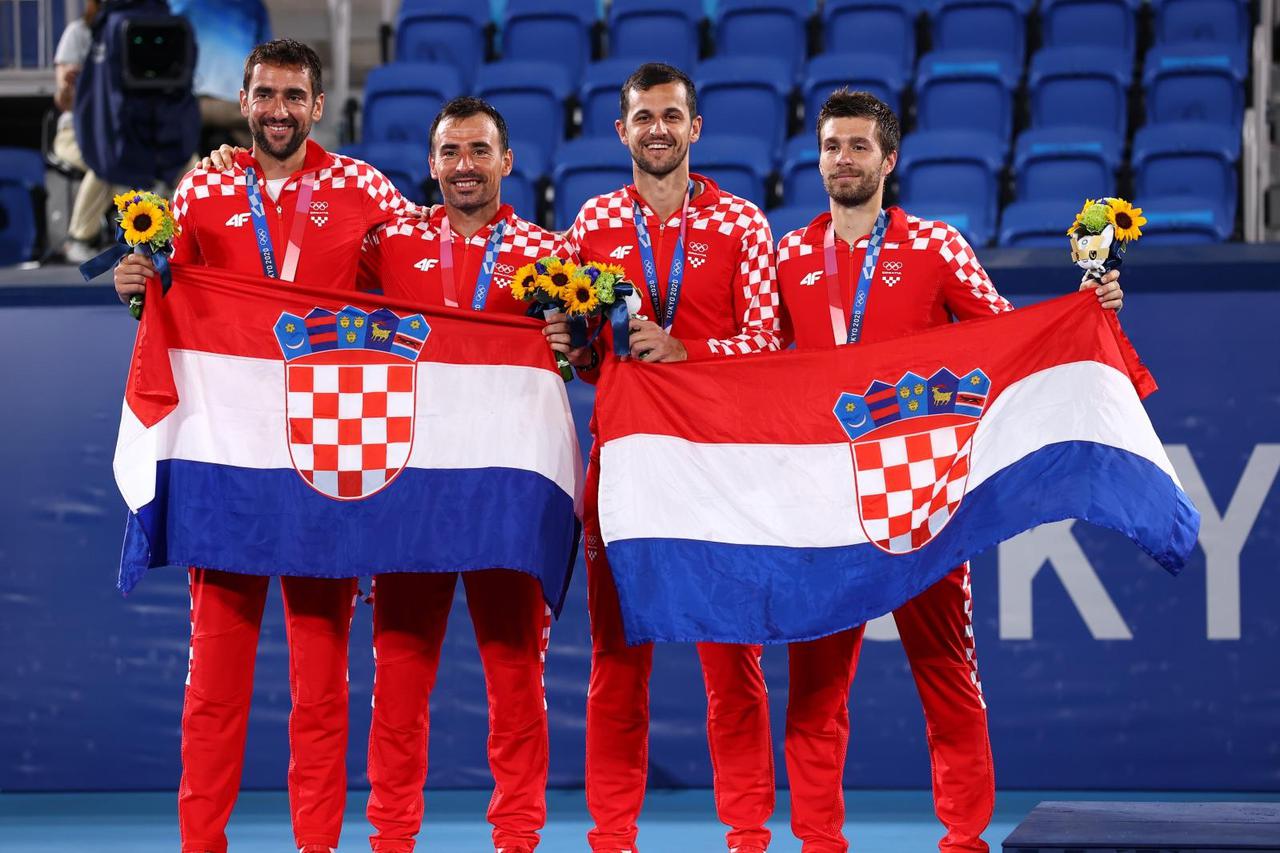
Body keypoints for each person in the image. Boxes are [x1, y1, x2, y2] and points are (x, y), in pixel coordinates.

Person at [774, 89, 1123, 853]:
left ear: (889, 159)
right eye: (832, 145)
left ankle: (963, 841)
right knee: (814, 692)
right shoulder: (787, 255)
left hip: (924, 498)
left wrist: (1086, 310)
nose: (843, 159)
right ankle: (817, 842)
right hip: (822, 506)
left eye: (859, 146)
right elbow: (755, 365)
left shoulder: (937, 246)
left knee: (947, 675)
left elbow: (1007, 337)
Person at [113, 39, 421, 853]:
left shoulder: (366, 189)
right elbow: (172, 299)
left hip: (327, 462)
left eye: (294, 96)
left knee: (320, 687)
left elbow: (425, 290)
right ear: (242, 101)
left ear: (319, 105)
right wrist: (137, 285)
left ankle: (316, 844)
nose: (279, 110)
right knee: (214, 683)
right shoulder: (204, 185)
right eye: (264, 95)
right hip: (230, 470)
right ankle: (200, 843)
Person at [544, 62, 781, 853]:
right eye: (643, 116)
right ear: (622, 131)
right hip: (626, 470)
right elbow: (581, 355)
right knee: (617, 662)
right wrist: (566, 343)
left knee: (733, 665)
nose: (658, 128)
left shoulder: (745, 223)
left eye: (671, 115)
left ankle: (747, 832)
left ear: (695, 127)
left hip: (717, 469)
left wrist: (688, 350)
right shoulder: (590, 225)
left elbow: (771, 345)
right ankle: (612, 835)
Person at [355, 96, 565, 853]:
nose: (464, 165)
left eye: (479, 150)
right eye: (450, 152)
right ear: (433, 163)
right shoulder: (389, 241)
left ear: (507, 162)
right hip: (408, 493)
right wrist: (222, 161)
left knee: (515, 679)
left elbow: (581, 349)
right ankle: (390, 837)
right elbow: (291, 264)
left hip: (506, 493)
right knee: (400, 680)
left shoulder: (553, 255)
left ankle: (517, 837)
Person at [52, 0, 112, 263]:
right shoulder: (77, 34)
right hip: (75, 132)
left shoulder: (134, 34)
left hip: (122, 131)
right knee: (106, 161)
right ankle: (78, 238)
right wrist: (69, 86)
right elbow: (63, 101)